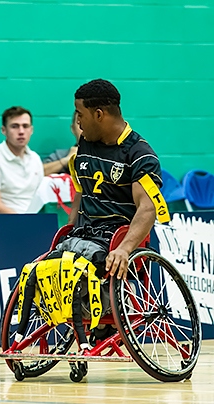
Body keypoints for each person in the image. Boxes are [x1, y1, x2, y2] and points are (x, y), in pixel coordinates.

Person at [10, 79, 168, 352]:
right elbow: (81, 193)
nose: (78, 122)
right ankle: (23, 335)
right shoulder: (86, 143)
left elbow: (148, 208)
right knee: (37, 270)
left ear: (99, 114)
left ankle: (96, 326)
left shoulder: (139, 155)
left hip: (116, 241)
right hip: (85, 236)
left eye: (81, 115)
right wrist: (71, 227)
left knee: (77, 272)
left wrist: (125, 249)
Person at [0, 106, 43, 214]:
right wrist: (24, 221)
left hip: (35, 220)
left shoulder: (35, 158)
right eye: (14, 126)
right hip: (7, 223)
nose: (21, 131)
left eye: (25, 126)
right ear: (3, 130)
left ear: (31, 130)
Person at [42, 111, 82, 176]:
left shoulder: (103, 156)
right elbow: (37, 175)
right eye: (79, 123)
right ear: (73, 129)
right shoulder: (60, 155)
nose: (84, 128)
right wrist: (65, 161)